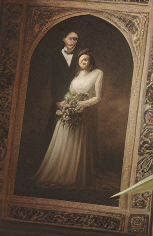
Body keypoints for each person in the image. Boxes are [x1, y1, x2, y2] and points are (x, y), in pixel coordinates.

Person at [32, 49, 103, 189]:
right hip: (71, 111)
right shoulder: (77, 76)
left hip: (84, 114)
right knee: (64, 137)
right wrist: (65, 105)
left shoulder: (98, 73)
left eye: (86, 60)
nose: (83, 62)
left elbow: (98, 98)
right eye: (81, 60)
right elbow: (70, 95)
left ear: (91, 61)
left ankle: (72, 176)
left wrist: (80, 105)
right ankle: (59, 173)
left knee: (77, 143)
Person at [44, 29, 80, 148]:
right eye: (70, 38)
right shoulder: (55, 55)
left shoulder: (80, 56)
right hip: (59, 98)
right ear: (64, 39)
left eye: (75, 39)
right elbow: (52, 79)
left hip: (73, 97)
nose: (72, 41)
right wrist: (56, 99)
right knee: (54, 128)